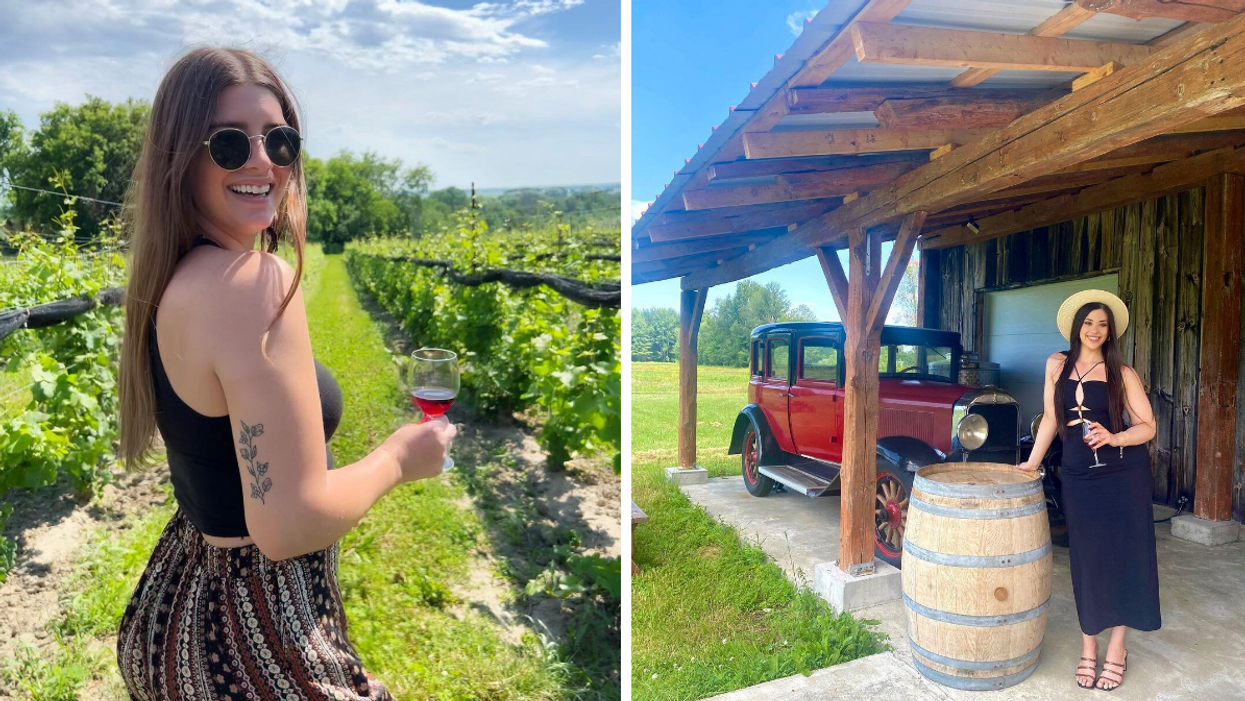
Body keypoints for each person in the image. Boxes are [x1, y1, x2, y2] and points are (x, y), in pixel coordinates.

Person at [114, 47, 456, 699]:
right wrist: (398, 457)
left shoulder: (175, 277)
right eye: (228, 143)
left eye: (279, 139)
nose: (262, 159)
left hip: (180, 607)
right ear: (180, 156)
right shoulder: (251, 284)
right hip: (249, 641)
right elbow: (287, 523)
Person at [1018, 289, 1161, 691]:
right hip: (1079, 475)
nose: (1095, 330)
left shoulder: (1122, 373)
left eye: (1102, 324)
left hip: (1123, 476)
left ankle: (1117, 648)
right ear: (1076, 326)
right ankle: (1088, 645)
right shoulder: (1056, 365)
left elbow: (1147, 427)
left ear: (1111, 331)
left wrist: (1115, 437)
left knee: (1123, 556)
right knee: (1087, 558)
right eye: (1088, 322)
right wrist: (1033, 462)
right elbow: (1050, 418)